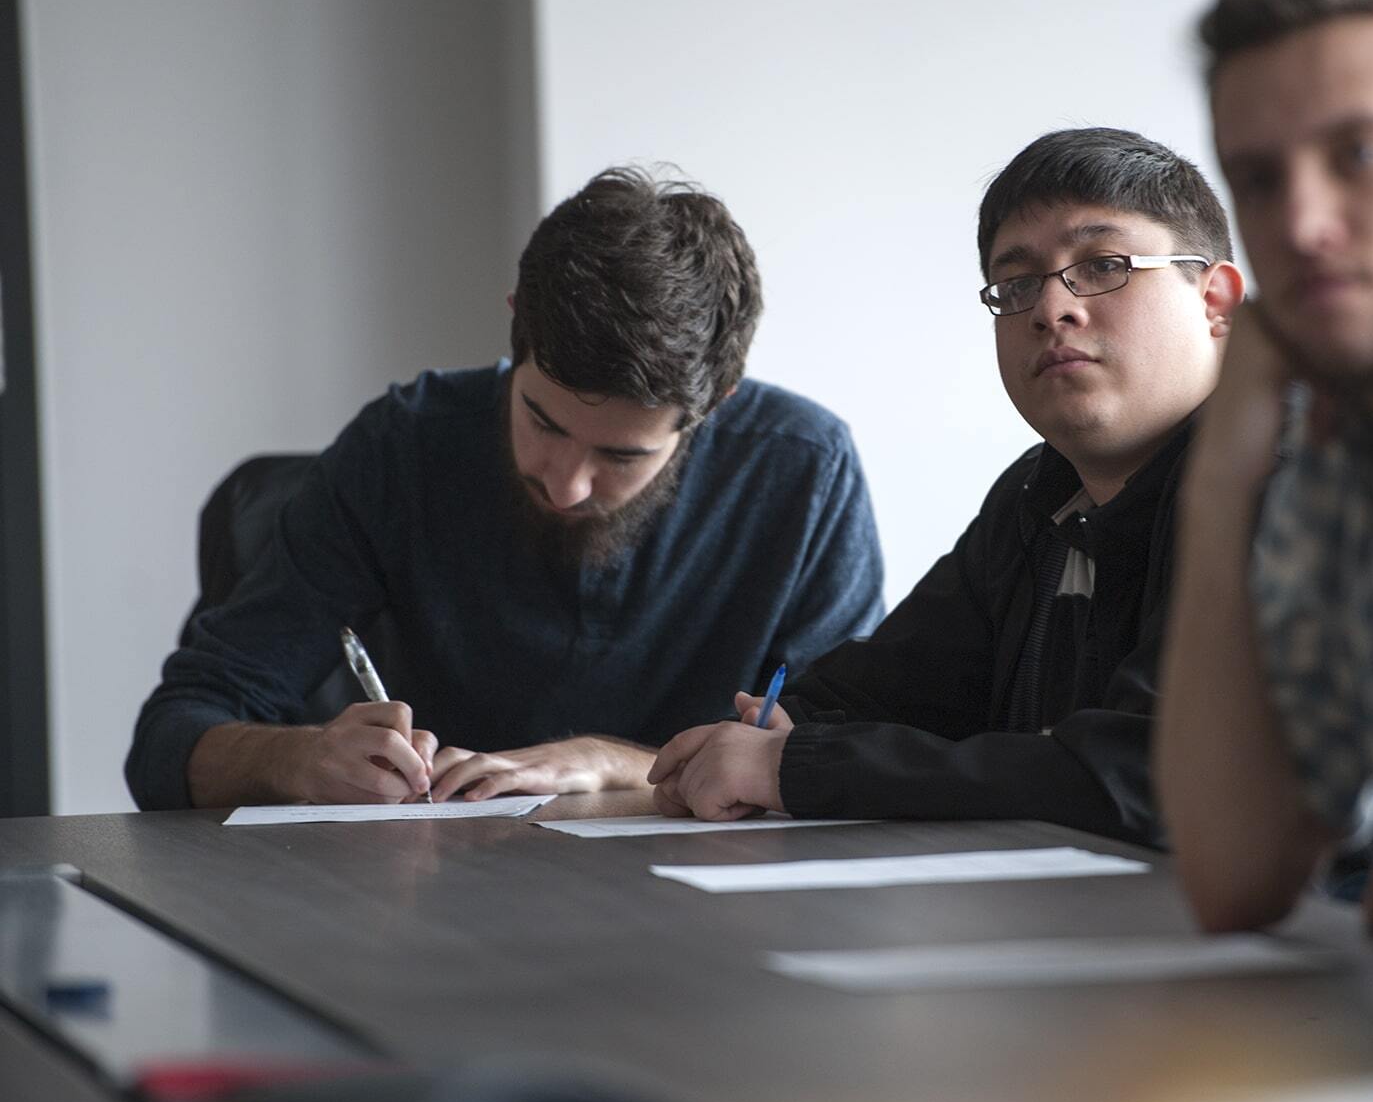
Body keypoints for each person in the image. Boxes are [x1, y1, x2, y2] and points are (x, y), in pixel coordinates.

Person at [129, 167, 884, 810]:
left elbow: (843, 756)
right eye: (543, 422)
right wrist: (287, 759)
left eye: (621, 454)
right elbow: (171, 735)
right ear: (516, 327)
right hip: (436, 907)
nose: (565, 484)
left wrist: (614, 765)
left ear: (714, 406)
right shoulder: (404, 446)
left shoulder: (804, 471)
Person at [646, 128, 1242, 845]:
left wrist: (797, 766)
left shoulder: (1285, 481)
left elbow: (1165, 775)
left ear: (1216, 302)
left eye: (1104, 264)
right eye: (1018, 284)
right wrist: (785, 726)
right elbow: (884, 691)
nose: (1052, 309)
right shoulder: (1037, 498)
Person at [1154, 0, 1373, 933]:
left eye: (1362, 157)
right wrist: (1221, 483)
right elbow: (1236, 873)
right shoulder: (1342, 450)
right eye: (1257, 180)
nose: (1300, 226)